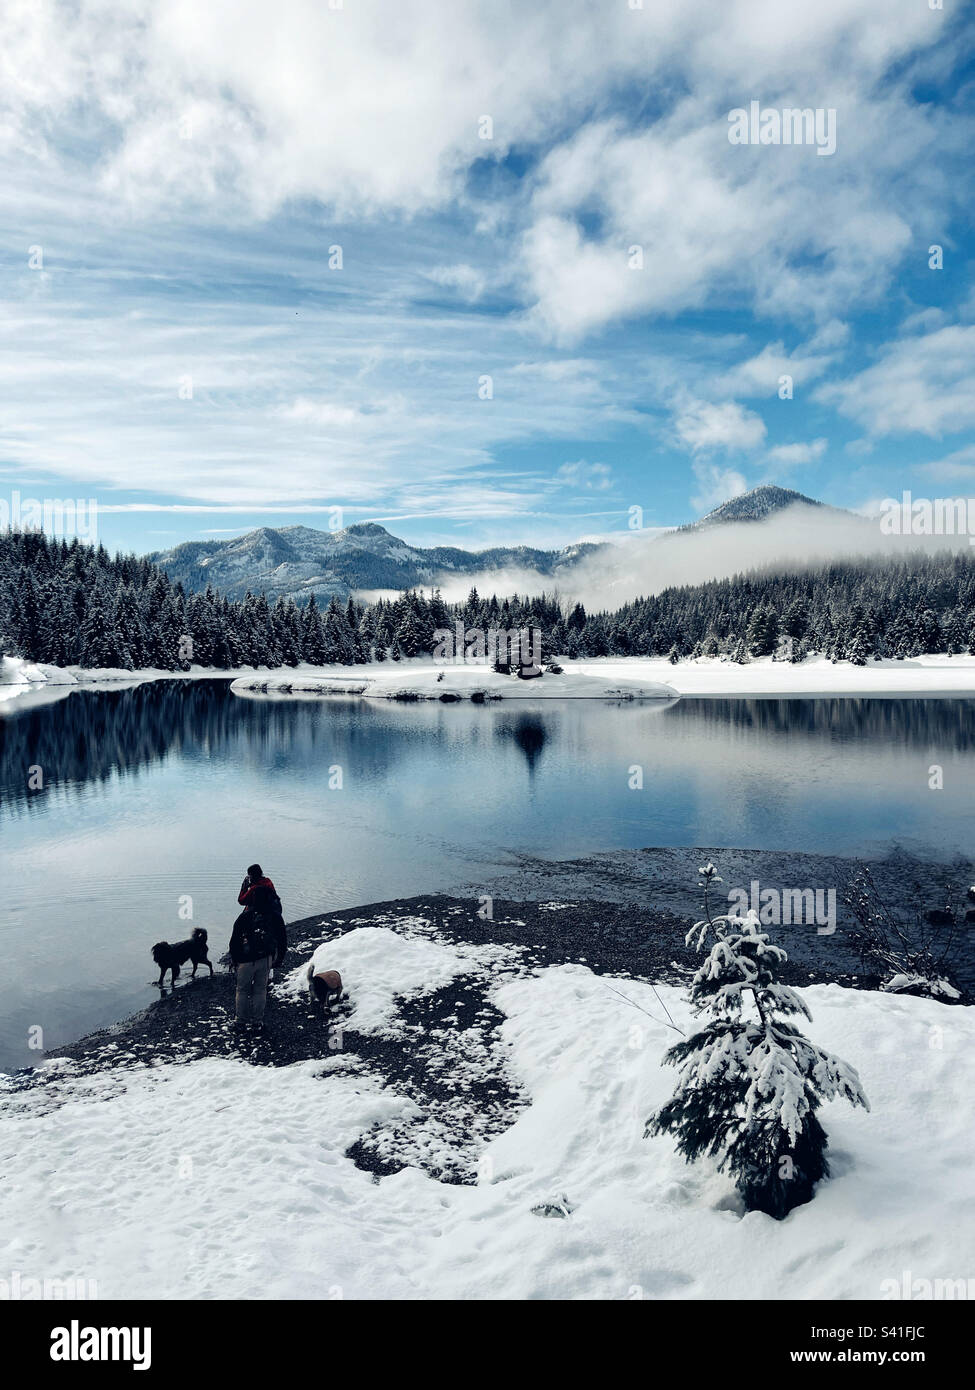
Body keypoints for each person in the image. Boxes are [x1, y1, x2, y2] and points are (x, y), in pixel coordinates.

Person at [229, 864, 287, 1032]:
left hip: (246, 960)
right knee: (260, 989)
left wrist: (235, 959)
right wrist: (279, 958)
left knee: (243, 990)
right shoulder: (275, 915)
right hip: (266, 956)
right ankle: (257, 1023)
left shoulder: (245, 917)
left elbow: (234, 941)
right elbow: (282, 938)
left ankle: (241, 1022)